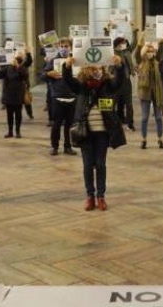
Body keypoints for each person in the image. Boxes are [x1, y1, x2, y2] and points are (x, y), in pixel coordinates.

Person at [62, 56, 126, 211]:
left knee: (101, 164)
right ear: (86, 68)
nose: (96, 70)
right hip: (86, 133)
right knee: (87, 165)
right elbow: (68, 80)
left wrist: (119, 66)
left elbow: (120, 81)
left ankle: (101, 197)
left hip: (102, 133)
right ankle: (90, 196)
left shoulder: (107, 84)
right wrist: (66, 66)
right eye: (93, 68)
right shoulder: (81, 86)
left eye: (99, 68)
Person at [43, 50, 77, 156]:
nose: (64, 48)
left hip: (72, 97)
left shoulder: (75, 60)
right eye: (61, 46)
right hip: (57, 97)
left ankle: (68, 146)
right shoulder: (53, 61)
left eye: (66, 46)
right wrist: (49, 74)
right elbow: (42, 75)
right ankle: (54, 146)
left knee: (69, 125)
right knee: (56, 124)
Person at [134, 33, 163, 149]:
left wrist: (161, 42)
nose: (150, 53)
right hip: (145, 93)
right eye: (148, 51)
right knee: (144, 118)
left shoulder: (157, 61)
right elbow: (137, 53)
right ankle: (144, 139)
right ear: (144, 52)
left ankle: (160, 139)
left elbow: (161, 53)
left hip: (157, 92)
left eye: (152, 51)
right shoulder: (141, 62)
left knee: (158, 117)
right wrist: (139, 43)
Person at [0, 52, 28, 138]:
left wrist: (18, 67)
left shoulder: (22, 68)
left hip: (18, 95)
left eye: (16, 59)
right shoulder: (7, 68)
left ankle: (18, 131)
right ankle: (10, 131)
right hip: (9, 95)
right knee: (9, 115)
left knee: (18, 115)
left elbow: (25, 76)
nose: (14, 60)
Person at [112, 36, 136, 131]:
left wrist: (134, 32)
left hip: (126, 80)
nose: (124, 44)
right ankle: (113, 122)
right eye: (123, 43)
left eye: (125, 43)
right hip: (116, 81)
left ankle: (130, 123)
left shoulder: (126, 52)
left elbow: (134, 43)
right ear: (118, 44)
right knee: (113, 103)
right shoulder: (112, 53)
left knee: (129, 104)